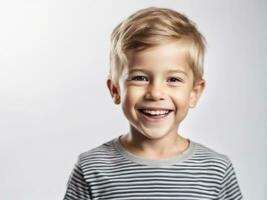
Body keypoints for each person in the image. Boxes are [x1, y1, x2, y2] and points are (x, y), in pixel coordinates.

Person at [63, 7, 243, 200]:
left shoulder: (216, 170)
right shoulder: (91, 168)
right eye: (140, 78)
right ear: (115, 90)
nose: (156, 93)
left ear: (194, 93)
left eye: (173, 79)